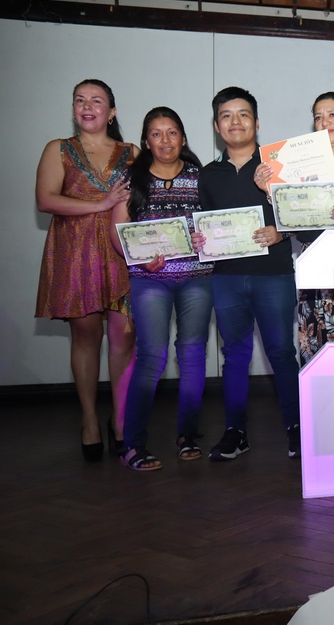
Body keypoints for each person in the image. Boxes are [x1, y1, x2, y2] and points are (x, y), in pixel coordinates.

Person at [255, 92, 334, 448]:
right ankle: (326, 443)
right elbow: (295, 222)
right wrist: (272, 192)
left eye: (333, 115)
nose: (325, 122)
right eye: (318, 116)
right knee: (319, 351)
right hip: (315, 264)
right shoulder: (301, 168)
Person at [196, 86, 300, 460]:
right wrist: (201, 238)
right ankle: (235, 431)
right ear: (216, 126)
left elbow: (302, 213)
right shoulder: (208, 175)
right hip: (226, 278)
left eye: (243, 114)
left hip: (273, 274)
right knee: (235, 355)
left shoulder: (278, 166)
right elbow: (207, 224)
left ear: (256, 122)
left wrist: (281, 232)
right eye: (226, 115)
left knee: (281, 352)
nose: (235, 121)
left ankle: (297, 428)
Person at [35, 79, 137, 461]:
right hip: (75, 251)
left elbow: (146, 201)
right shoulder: (58, 149)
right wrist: (101, 204)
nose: (87, 106)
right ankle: (90, 419)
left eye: (96, 100)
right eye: (80, 100)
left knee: (125, 337)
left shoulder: (131, 152)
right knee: (85, 336)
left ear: (111, 112)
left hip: (120, 250)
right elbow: (45, 200)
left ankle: (121, 420)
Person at [111, 107, 213, 470]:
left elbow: (214, 225)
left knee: (193, 356)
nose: (165, 140)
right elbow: (117, 232)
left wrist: (206, 238)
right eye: (156, 134)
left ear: (183, 139)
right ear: (146, 141)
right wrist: (139, 260)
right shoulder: (130, 179)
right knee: (151, 358)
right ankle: (133, 444)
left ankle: (188, 435)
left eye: (172, 133)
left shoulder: (201, 177)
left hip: (197, 277)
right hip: (149, 280)